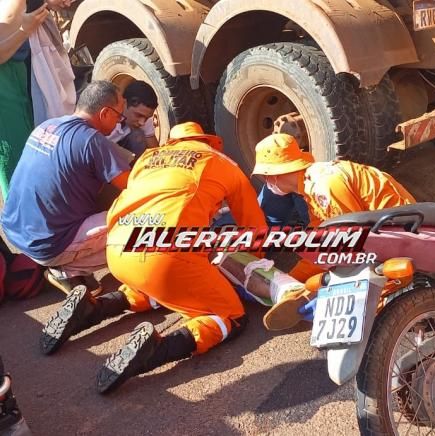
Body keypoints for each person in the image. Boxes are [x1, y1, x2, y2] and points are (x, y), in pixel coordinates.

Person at [39, 122, 267, 394]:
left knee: (152, 288)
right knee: (230, 316)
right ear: (209, 142)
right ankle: (157, 349)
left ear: (172, 142)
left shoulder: (148, 158)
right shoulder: (221, 163)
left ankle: (93, 308)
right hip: (167, 256)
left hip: (119, 249)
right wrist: (253, 264)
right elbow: (253, 229)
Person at [250, 133, 416, 330]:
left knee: (346, 291)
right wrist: (295, 277)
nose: (267, 181)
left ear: (273, 175)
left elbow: (353, 241)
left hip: (400, 238)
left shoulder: (324, 185)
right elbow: (321, 241)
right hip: (386, 234)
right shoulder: (313, 186)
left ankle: (318, 303)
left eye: (266, 176)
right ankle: (308, 298)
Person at [0, 80, 130, 293]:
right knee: (143, 225)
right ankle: (67, 269)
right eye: (118, 116)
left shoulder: (47, 125)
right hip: (46, 245)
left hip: (15, 231)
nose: (119, 124)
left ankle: (64, 259)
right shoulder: (92, 140)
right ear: (105, 113)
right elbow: (134, 188)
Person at [0, 0, 47, 200]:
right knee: (13, 154)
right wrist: (24, 30)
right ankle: (20, 219)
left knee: (26, 148)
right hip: (4, 83)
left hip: (15, 74)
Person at [107, 80, 159, 162]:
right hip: (103, 151)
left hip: (120, 147)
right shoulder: (107, 119)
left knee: (138, 135)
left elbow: (155, 150)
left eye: (146, 118)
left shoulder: (143, 115)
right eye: (138, 115)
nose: (142, 122)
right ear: (124, 103)